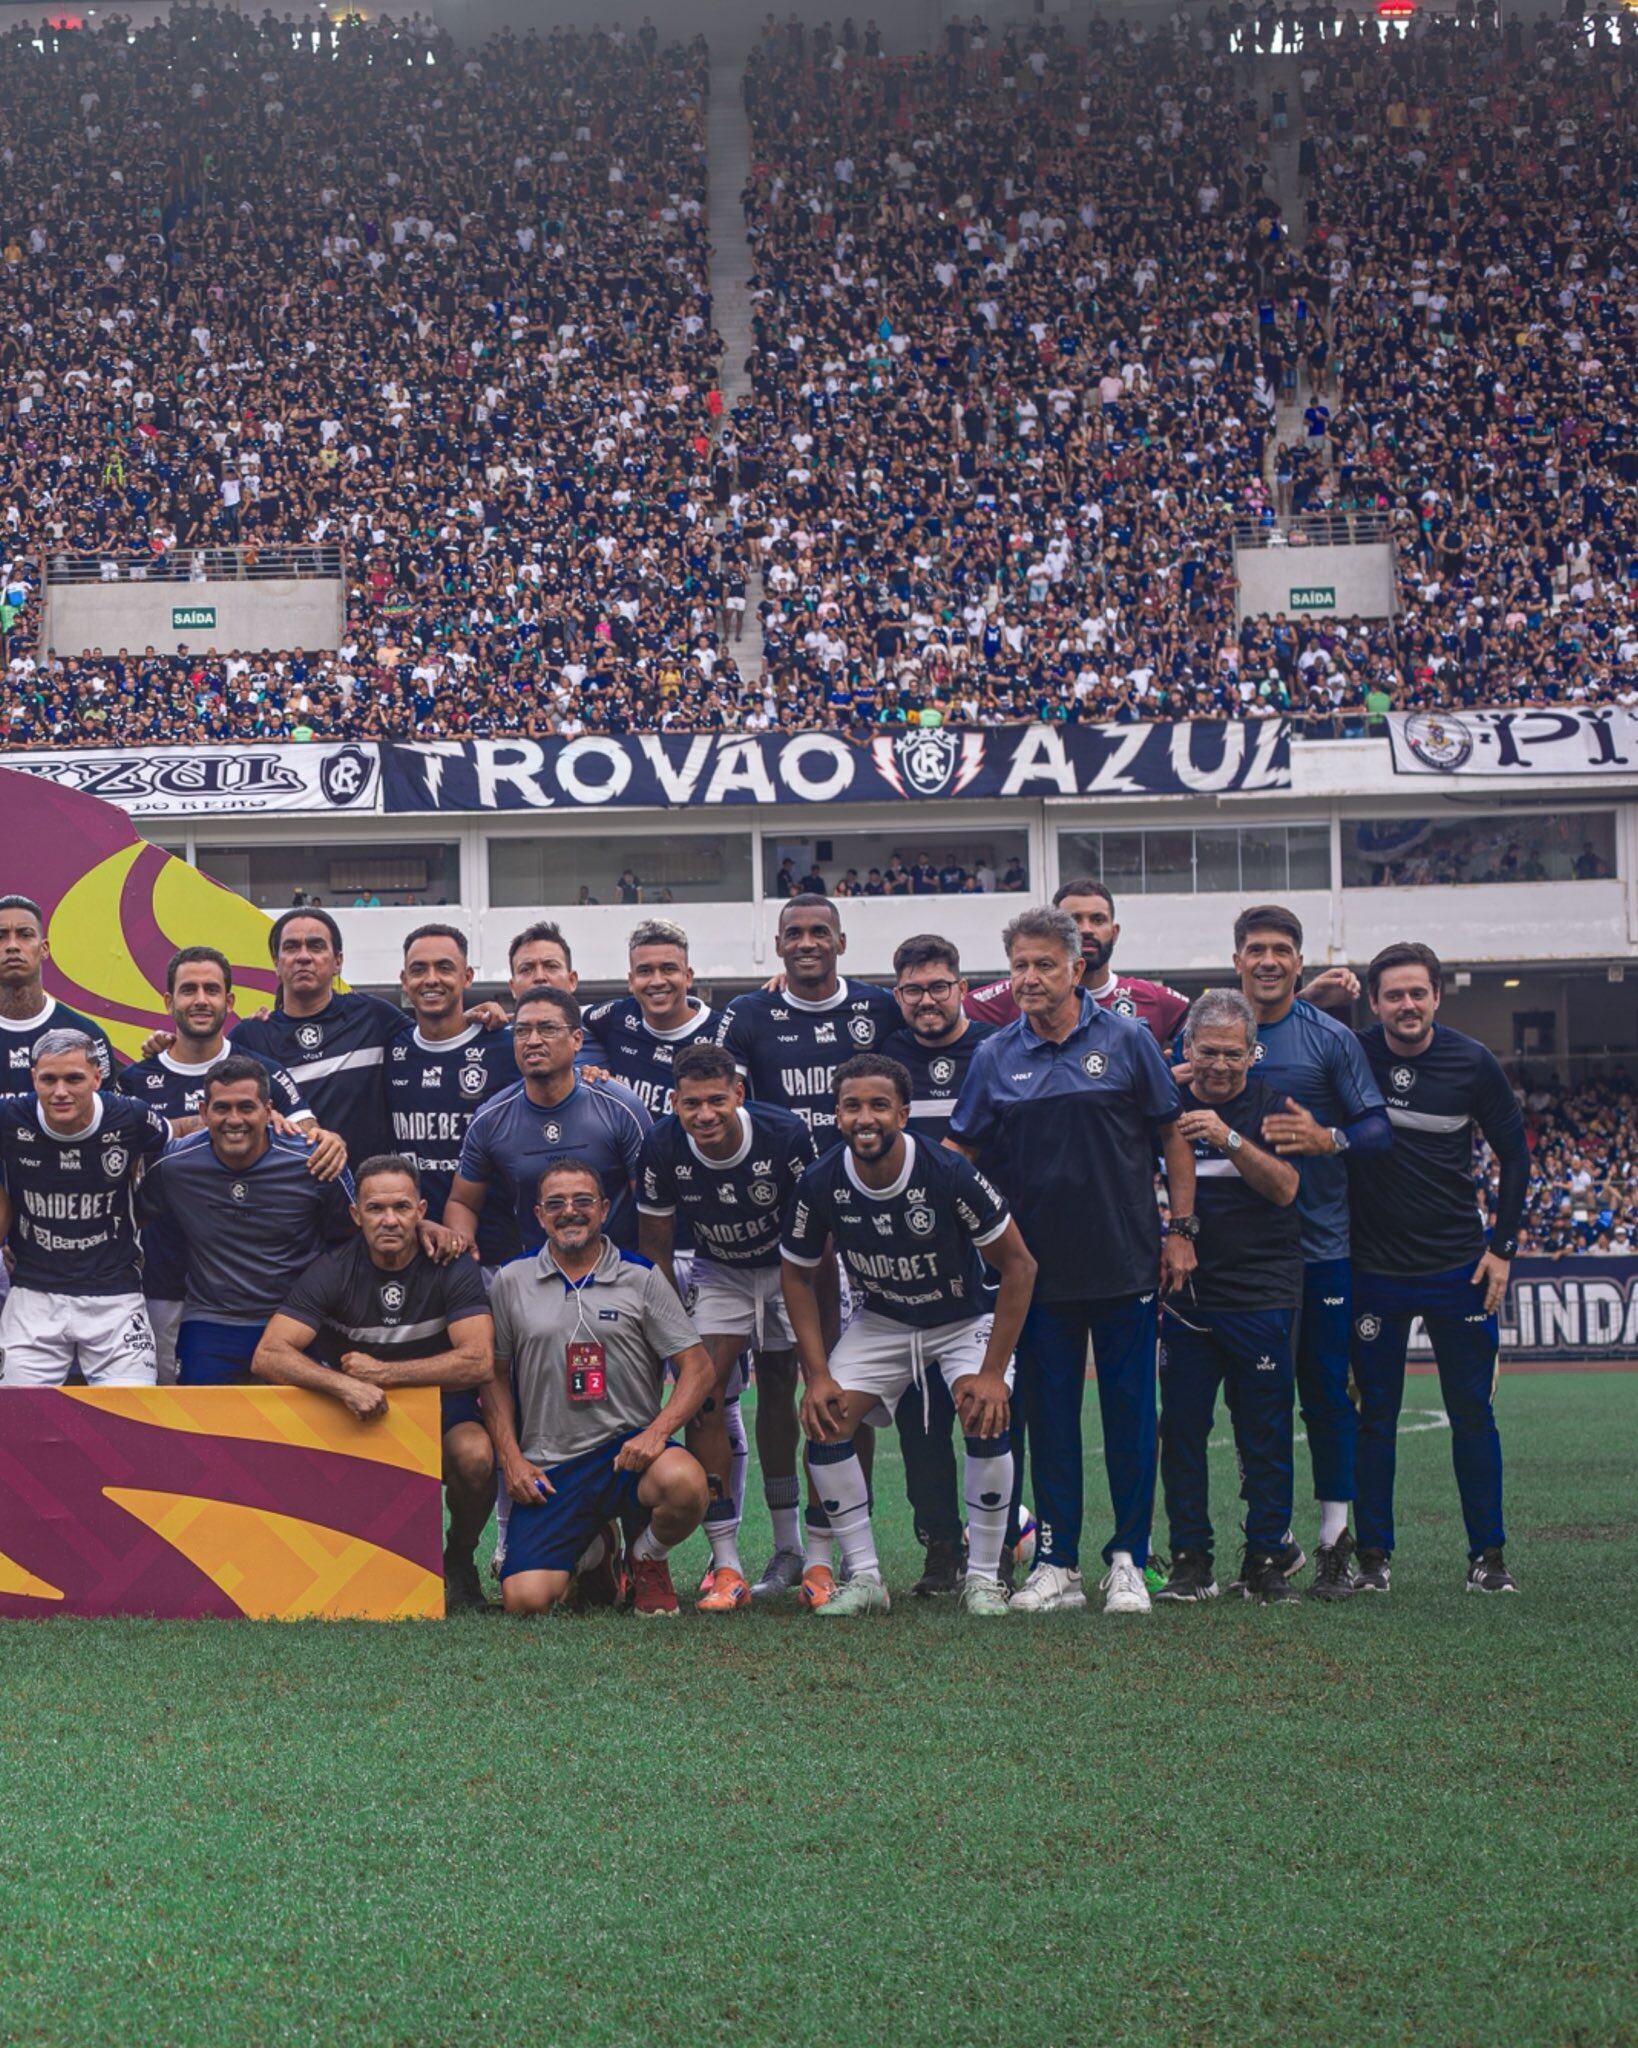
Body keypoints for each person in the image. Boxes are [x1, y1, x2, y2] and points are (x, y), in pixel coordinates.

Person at [949, 906, 1198, 1616]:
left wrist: (1179, 1229)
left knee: (1128, 1417)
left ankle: (1127, 1556)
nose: (1028, 978)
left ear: (1076, 969)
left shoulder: (1127, 1039)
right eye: (1019, 966)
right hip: (1034, 1277)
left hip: (1124, 1262)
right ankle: (1056, 1561)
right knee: (1050, 1418)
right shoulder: (996, 1055)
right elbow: (962, 1155)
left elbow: (1170, 1136)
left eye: (1043, 965)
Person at [781, 1053, 1037, 1616]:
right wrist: (817, 1373)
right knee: (825, 1419)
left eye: (878, 1105)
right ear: (836, 1114)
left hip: (963, 1319)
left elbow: (1020, 1266)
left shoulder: (947, 1172)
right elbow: (797, 1276)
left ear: (903, 1110)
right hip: (885, 1321)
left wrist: (992, 1374)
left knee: (984, 1411)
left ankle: (984, 1578)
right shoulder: (822, 1181)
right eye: (851, 1106)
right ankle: (867, 1578)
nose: (864, 1118)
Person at [713, 894, 899, 1597]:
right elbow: (714, 1083)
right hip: (781, 1229)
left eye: (820, 931)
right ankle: (788, 1546)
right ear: (778, 945)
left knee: (851, 1386)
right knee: (780, 1384)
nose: (808, 942)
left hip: (862, 1224)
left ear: (842, 941)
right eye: (795, 933)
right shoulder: (750, 1014)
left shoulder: (878, 1008)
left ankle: (849, 1541)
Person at [1348, 942, 1527, 1594]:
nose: (1406, 1005)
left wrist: (1501, 1248)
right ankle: (1373, 1559)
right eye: (1393, 994)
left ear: (1436, 996)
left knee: (1472, 1414)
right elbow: (1293, 1034)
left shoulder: (1471, 1061)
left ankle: (1488, 1556)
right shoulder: (1354, 1052)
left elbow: (1516, 1155)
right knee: (1374, 1418)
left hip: (1458, 1267)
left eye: (1417, 992)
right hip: (1374, 1269)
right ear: (1375, 1002)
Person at [1229, 904, 1391, 1598]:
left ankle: (1333, 1543)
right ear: (1236, 959)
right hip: (1238, 1258)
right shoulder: (1212, 1033)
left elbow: (1378, 1130)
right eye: (1255, 948)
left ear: (1299, 962)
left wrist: (1331, 1140)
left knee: (1324, 1395)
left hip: (1319, 1250)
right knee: (1249, 1402)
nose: (1268, 960)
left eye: (1281, 950)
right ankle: (1270, 1545)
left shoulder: (1329, 1038)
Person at [252, 1155, 497, 1612]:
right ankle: (330, 1565)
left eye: (402, 1208)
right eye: (376, 1208)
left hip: (439, 1412)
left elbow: (479, 1361)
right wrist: (342, 1386)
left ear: (422, 1210)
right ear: (355, 1214)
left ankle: (460, 1556)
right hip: (354, 1414)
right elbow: (269, 1353)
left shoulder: (451, 1263)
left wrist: (386, 1375)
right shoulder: (333, 1269)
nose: (389, 1220)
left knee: (476, 1454)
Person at [484, 1157, 714, 1617]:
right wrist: (511, 1458)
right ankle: (595, 1548)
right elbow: (493, 1378)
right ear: (539, 1215)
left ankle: (646, 1557)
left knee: (686, 1484)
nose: (570, 1211)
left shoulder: (641, 1276)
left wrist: (655, 1433)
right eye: (556, 1203)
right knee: (525, 1602)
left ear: (604, 1209)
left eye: (583, 1200)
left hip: (627, 1455)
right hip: (552, 1464)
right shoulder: (511, 1280)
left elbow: (699, 1368)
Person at [637, 1042, 817, 1611]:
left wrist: (822, 1334)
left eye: (717, 1100)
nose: (705, 1114)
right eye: (692, 1104)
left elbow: (819, 1233)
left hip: (790, 1265)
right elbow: (657, 1251)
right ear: (675, 1103)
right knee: (705, 1392)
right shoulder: (662, 1145)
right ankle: (726, 1563)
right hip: (721, 1273)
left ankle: (797, 1550)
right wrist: (672, 1341)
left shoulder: (784, 1134)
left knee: (790, 1389)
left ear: (739, 1093)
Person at [118, 944, 347, 1381]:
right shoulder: (135, 1079)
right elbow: (118, 1173)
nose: (200, 999)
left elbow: (311, 1139)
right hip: (167, 1281)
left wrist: (330, 1140)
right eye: (188, 990)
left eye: (211, 989)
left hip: (269, 1292)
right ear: (169, 1002)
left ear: (230, 1000)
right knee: (185, 1417)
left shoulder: (263, 1072)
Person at [1155, 990, 1304, 1606]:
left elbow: (1288, 1189)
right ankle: (1192, 1560)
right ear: (1187, 1048)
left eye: (1233, 1054)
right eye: (1208, 1052)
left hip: (1262, 1291)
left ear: (1253, 1054)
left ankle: (1267, 1555)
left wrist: (1228, 1136)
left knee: (1263, 1431)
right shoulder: (1162, 1102)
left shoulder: (1274, 1106)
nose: (1220, 1065)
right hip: (1185, 1296)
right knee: (1183, 1431)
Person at [136, 1056, 374, 1384]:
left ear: (268, 1110)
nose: (235, 1120)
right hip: (212, 1319)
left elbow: (358, 1232)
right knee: (199, 1427)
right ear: (204, 1112)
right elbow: (129, 1219)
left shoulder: (314, 1161)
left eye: (247, 1107)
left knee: (307, 1427)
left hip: (297, 1318)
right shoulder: (175, 1165)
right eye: (222, 1108)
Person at [880, 933, 998, 1596]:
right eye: (914, 990)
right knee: (921, 1423)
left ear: (961, 987)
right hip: (904, 1271)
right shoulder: (882, 1057)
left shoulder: (995, 1049)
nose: (927, 1000)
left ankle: (996, 1546)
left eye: (938, 987)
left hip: (983, 1260)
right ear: (898, 996)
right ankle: (941, 1547)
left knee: (992, 1410)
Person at [0, 1030, 174, 1386]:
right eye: (49, 1079)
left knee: (134, 1420)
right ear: (34, 1077)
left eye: (74, 1078)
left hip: (116, 1296)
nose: (60, 1091)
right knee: (14, 1424)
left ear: (97, 1077)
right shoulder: (9, 1117)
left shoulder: (130, 1116)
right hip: (34, 1295)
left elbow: (179, 1142)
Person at [446, 988, 650, 1257]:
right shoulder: (491, 1118)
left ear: (576, 1039)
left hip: (619, 1273)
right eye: (521, 1031)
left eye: (547, 1029)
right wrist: (463, 1245)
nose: (532, 1040)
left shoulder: (621, 1106)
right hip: (538, 1278)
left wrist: (648, 1272)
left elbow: (652, 1204)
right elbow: (462, 1202)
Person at [229, 909, 411, 1168]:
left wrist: (481, 1016)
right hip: (286, 1194)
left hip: (366, 1196)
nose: (303, 956)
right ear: (276, 963)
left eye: (315, 946)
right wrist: (166, 1044)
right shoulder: (249, 1036)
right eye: (291, 947)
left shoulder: (374, 1016)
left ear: (338, 961)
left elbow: (434, 1039)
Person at [386, 925, 520, 1270]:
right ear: (404, 980)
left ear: (467, 976)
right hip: (408, 1245)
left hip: (495, 1251)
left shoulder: (506, 1047)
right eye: (418, 970)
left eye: (444, 968)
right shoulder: (389, 1046)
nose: (431, 979)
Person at [965, 880, 1190, 1044]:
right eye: (1074, 920)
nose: (1086, 929)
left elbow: (1212, 1046)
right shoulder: (1012, 995)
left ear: (1114, 932)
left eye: (1097, 919)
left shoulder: (1155, 1000)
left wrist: (1164, 1072)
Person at [578, 919, 720, 1118]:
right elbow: (561, 1015)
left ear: (688, 976)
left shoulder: (723, 1032)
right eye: (645, 971)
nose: (657, 981)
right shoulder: (616, 1016)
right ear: (631, 981)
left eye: (668, 969)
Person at [0, 895, 118, 1082]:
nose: (12, 946)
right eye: (1, 936)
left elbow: (107, 1108)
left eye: (25, 935)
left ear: (44, 949)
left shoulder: (86, 1034)